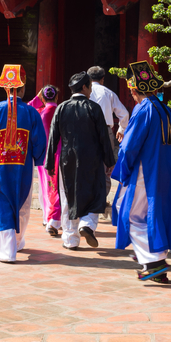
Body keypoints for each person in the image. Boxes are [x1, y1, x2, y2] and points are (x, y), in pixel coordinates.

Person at [111, 61, 171, 283]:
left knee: (127, 213)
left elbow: (130, 146)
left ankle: (153, 260)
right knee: (153, 213)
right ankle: (149, 256)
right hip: (164, 171)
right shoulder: (166, 110)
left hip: (144, 171)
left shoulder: (143, 109)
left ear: (133, 90)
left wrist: (123, 169)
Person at [0, 65, 47, 263]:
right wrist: (37, 159)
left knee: (1, 204)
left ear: (5, 88)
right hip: (22, 167)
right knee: (22, 202)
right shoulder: (32, 113)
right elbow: (39, 142)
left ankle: (7, 252)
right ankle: (16, 243)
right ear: (23, 88)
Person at [46, 71, 115, 250]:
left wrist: (49, 163)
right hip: (92, 158)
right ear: (84, 87)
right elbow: (103, 137)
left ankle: (70, 239)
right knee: (95, 191)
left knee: (68, 195)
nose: (91, 91)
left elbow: (53, 136)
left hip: (67, 159)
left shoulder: (61, 108)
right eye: (90, 87)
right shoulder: (94, 108)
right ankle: (88, 225)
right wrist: (109, 159)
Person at [87, 65, 131, 195]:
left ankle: (89, 197)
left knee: (87, 162)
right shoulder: (108, 92)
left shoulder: (84, 92)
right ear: (102, 79)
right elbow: (124, 114)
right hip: (105, 131)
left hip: (87, 131)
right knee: (106, 165)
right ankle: (102, 198)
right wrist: (122, 129)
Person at [29, 84, 61, 237]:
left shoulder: (39, 112)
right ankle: (56, 219)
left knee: (46, 187)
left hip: (44, 155)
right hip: (60, 154)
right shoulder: (62, 110)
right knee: (59, 187)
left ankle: (48, 217)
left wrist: (37, 98)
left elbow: (28, 107)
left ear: (43, 97)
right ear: (57, 96)